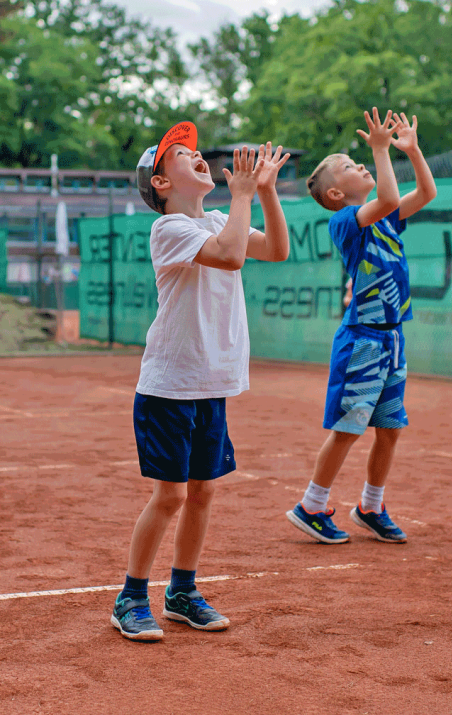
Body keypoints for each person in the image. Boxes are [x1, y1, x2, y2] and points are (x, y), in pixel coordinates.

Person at [111, 122, 290, 641]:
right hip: (169, 385)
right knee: (170, 496)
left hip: (210, 383)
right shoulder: (169, 230)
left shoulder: (216, 216)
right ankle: (130, 597)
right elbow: (232, 255)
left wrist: (267, 193)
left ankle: (182, 592)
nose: (197, 157)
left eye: (195, 151)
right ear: (161, 184)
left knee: (203, 492)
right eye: (181, 155)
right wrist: (242, 196)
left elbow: (275, 250)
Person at [286, 107, 437, 544]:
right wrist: (382, 150)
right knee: (349, 428)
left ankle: (371, 505)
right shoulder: (344, 221)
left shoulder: (385, 216)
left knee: (390, 429)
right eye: (352, 167)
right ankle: (312, 505)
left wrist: (412, 150)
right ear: (336, 193)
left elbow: (425, 192)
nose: (364, 165)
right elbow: (388, 198)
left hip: (391, 338)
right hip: (363, 340)